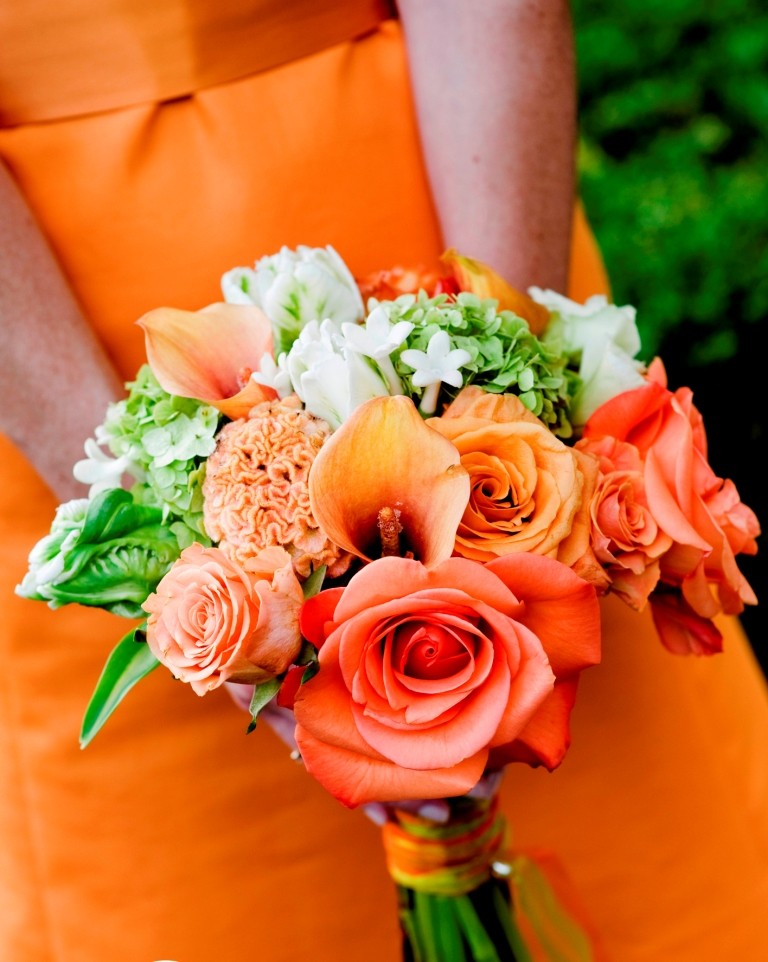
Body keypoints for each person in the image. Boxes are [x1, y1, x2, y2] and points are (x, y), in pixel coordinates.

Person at [1, 2, 766, 960]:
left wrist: (505, 421)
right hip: (55, 373)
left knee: (650, 869)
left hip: (431, 235)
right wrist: (164, 539)